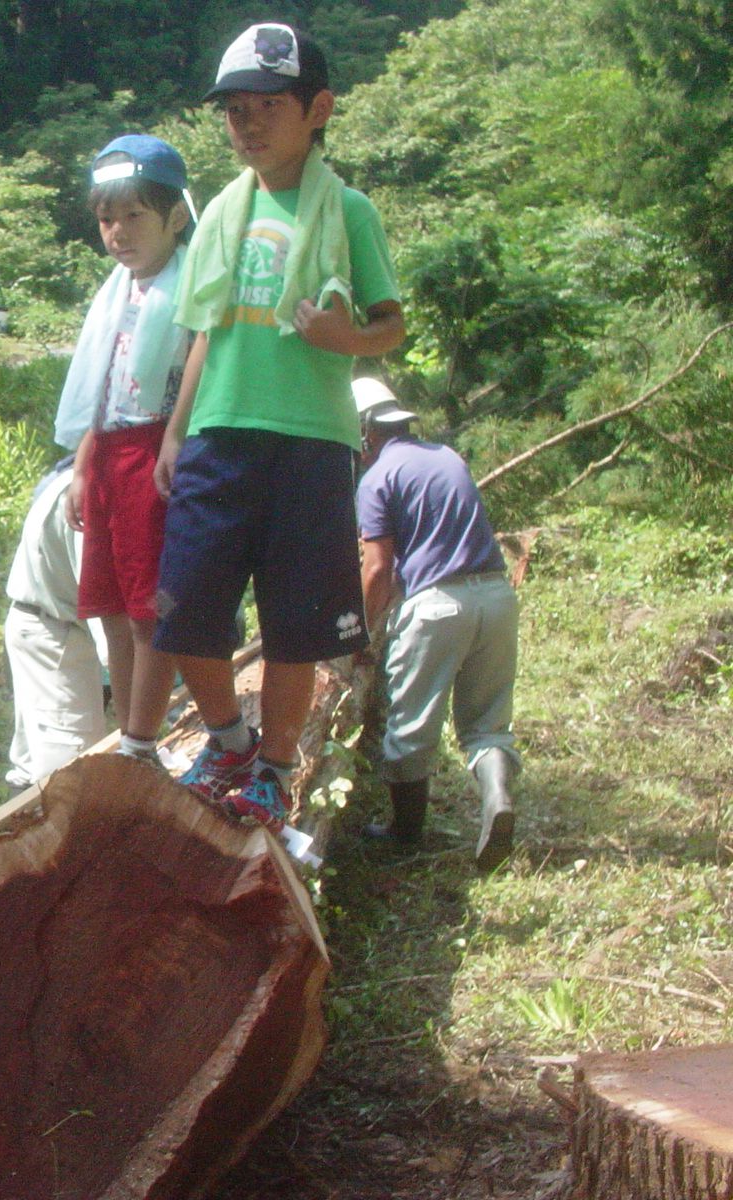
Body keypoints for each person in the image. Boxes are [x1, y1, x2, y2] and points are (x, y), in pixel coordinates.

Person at [152, 24, 406, 832]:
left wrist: (347, 341)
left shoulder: (350, 211)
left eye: (269, 104)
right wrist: (174, 432)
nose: (249, 123)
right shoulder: (221, 215)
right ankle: (227, 737)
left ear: (318, 109)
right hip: (221, 431)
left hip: (312, 438)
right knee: (183, 607)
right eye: (235, 110)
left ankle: (274, 767)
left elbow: (391, 324)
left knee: (296, 621)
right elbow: (204, 332)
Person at [55, 133, 193, 763]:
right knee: (109, 603)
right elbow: (101, 386)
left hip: (155, 453)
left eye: (134, 215)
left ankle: (141, 739)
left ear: (175, 216)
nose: (118, 232)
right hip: (109, 454)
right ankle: (131, 729)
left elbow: (194, 374)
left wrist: (173, 439)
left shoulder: (190, 284)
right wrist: (82, 467)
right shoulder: (115, 291)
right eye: (107, 219)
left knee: (147, 608)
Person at [353, 378, 518, 870]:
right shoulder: (446, 455)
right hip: (495, 596)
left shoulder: (377, 477)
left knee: (410, 728)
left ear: (365, 433)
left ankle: (404, 834)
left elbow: (377, 568)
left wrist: (360, 635)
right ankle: (497, 798)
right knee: (487, 723)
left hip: (437, 607)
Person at [5, 459, 108, 791]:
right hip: (53, 635)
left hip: (45, 623)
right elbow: (104, 617)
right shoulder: (89, 500)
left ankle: (23, 825)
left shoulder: (85, 480)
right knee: (73, 772)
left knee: (35, 760)